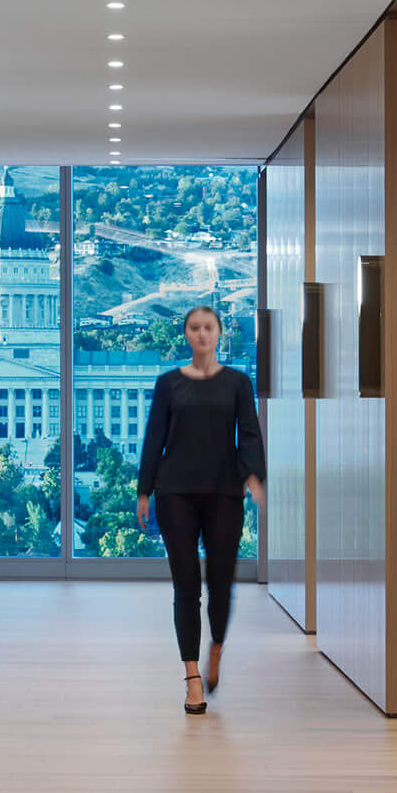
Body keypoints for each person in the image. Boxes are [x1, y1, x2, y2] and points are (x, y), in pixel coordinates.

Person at [134, 305, 265, 714]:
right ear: (187, 335)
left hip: (224, 493)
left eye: (209, 327)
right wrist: (144, 491)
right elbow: (154, 437)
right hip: (175, 493)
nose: (202, 334)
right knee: (186, 587)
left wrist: (252, 476)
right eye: (195, 328)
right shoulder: (168, 384)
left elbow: (250, 435)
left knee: (221, 584)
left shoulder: (238, 383)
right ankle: (192, 678)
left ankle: (217, 648)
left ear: (219, 333)